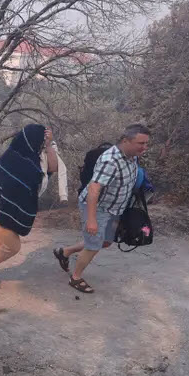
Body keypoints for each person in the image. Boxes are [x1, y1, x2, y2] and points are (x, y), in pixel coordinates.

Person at [52, 124, 151, 293]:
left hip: (115, 208)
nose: (144, 147)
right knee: (93, 246)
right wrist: (91, 219)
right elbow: (93, 189)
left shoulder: (132, 155)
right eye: (141, 143)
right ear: (126, 141)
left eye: (146, 143)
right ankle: (75, 278)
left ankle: (65, 252)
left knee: (105, 242)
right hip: (98, 207)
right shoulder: (110, 161)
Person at [0, 124, 60, 289]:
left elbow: (53, 168)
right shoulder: (13, 157)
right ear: (31, 140)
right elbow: (10, 185)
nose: (41, 145)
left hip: (5, 208)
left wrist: (50, 145)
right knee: (13, 246)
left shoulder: (34, 160)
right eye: (41, 142)